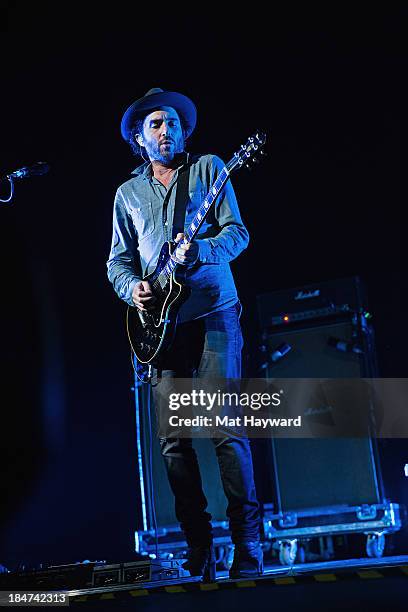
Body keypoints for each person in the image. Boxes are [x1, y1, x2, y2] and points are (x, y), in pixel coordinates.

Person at [107, 88, 263, 580]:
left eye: (172, 123)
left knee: (225, 430)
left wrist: (202, 253)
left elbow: (237, 233)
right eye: (155, 124)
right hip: (158, 329)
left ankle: (247, 544)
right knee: (174, 441)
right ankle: (199, 548)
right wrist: (134, 289)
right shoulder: (127, 195)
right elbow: (118, 262)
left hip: (213, 312)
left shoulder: (210, 167)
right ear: (138, 137)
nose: (166, 131)